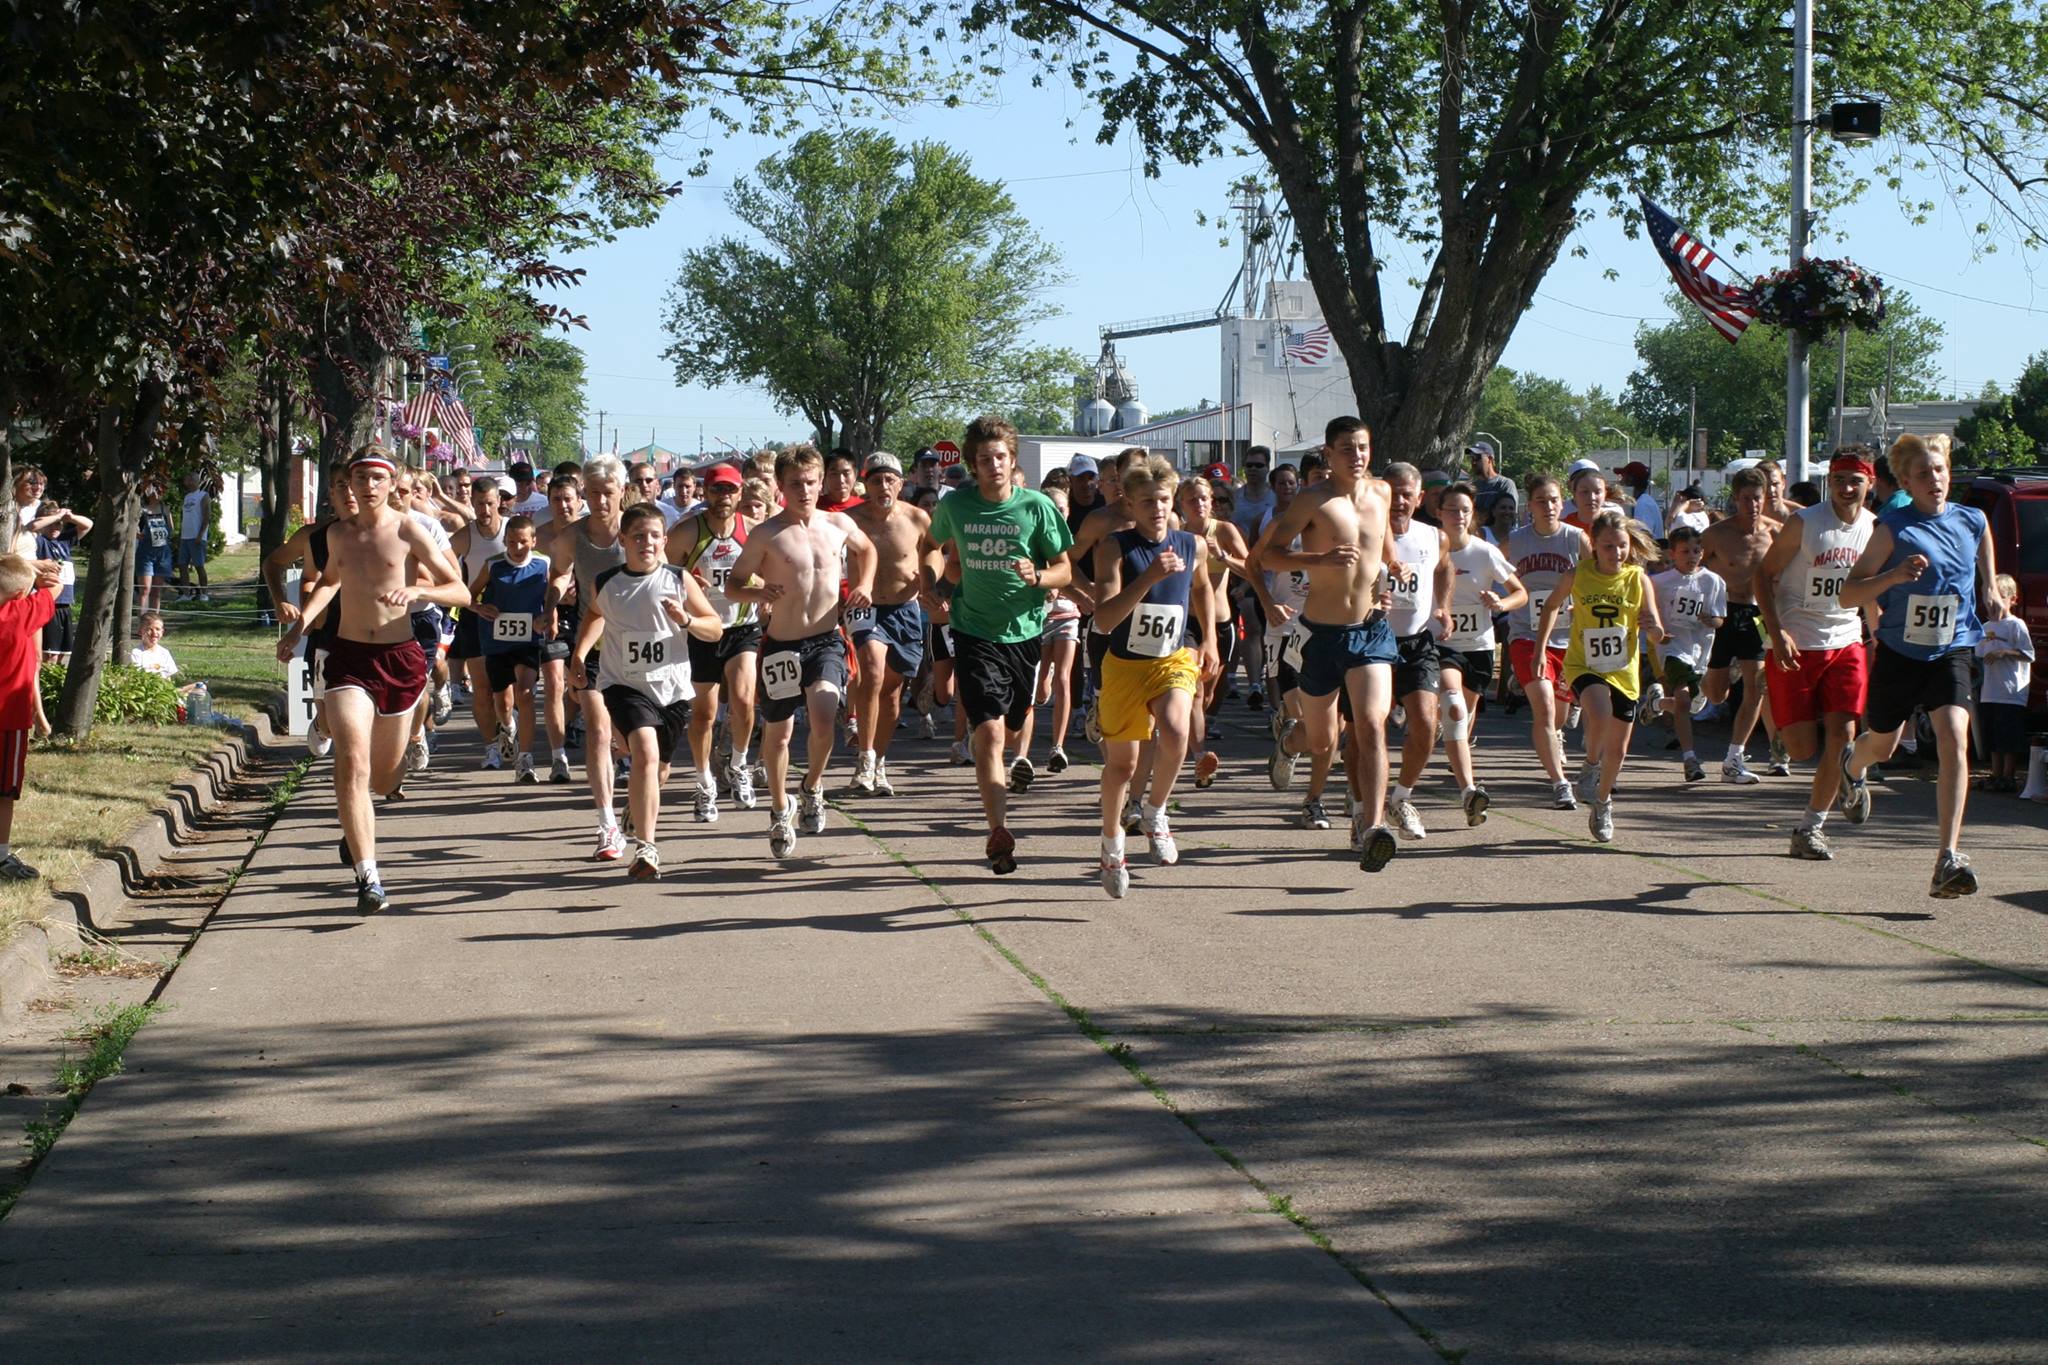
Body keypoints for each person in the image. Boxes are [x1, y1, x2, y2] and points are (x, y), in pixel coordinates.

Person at [279, 448, 468, 915]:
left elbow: (459, 589)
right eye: (358, 478)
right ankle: (369, 875)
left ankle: (359, 823)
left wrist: (420, 589)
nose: (366, 487)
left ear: (390, 483)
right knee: (352, 759)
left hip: (399, 658)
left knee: (384, 780)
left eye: (375, 479)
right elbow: (328, 582)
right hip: (348, 658)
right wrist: (300, 625)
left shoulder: (409, 529)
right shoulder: (338, 534)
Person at [1839, 434, 2004, 897]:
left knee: (1955, 736)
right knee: (1885, 746)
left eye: (1940, 470)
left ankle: (1947, 857)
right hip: (1900, 652)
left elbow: (1984, 540)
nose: (1935, 479)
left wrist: (1988, 587)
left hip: (1952, 647)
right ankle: (1853, 765)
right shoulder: (1893, 528)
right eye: (1924, 473)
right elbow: (1848, 593)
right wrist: (1892, 576)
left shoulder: (1971, 520)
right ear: (1908, 482)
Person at [920, 416, 1075, 874]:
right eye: (984, 459)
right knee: (987, 733)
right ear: (973, 464)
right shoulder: (958, 506)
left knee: (1010, 729)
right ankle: (997, 830)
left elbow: (1064, 568)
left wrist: (1040, 576)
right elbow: (930, 544)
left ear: (1012, 460)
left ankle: (1006, 765)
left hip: (1026, 633)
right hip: (973, 629)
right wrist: (931, 581)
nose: (993, 466)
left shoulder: (1037, 507)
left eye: (1001, 457)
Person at [1246, 415, 1400, 870]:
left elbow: (1384, 549)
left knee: (1372, 725)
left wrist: (1393, 575)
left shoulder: (1382, 493)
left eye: (1363, 447)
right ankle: (1289, 743)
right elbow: (1265, 557)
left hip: (1370, 631)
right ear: (1329, 454)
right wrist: (1319, 558)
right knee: (1322, 741)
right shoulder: (1312, 500)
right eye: (1347, 449)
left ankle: (1371, 826)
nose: (1357, 456)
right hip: (1320, 634)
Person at [724, 445, 877, 859]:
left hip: (826, 638)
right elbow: (733, 584)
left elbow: (868, 551)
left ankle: (811, 787)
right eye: (795, 484)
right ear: (781, 487)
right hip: (781, 644)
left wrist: (863, 585)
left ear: (822, 479)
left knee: (825, 718)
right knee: (780, 732)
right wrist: (759, 590)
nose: (805, 490)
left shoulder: (838, 523)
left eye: (811, 482)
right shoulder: (766, 533)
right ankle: (778, 808)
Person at [569, 503, 724, 879]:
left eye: (655, 536)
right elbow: (594, 615)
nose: (647, 542)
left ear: (665, 541)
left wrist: (686, 619)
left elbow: (715, 627)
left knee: (659, 769)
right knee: (644, 751)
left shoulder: (677, 579)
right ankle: (648, 850)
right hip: (623, 684)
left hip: (670, 689)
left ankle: (636, 811)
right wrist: (580, 653)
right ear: (623, 540)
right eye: (638, 536)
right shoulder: (607, 582)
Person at [1091, 457, 1219, 896]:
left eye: (1164, 500)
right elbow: (1105, 619)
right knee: (1122, 766)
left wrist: (1211, 641)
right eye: (1147, 502)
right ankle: (1111, 846)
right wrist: (1148, 576)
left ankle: (1156, 811)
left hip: (1172, 657)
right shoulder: (1115, 547)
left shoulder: (1191, 544)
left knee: (1177, 728)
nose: (1157, 509)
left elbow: (1201, 586)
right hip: (1125, 664)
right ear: (1129, 502)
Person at [1754, 448, 1877, 859]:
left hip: (1845, 640)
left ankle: (1812, 826)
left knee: (1842, 737)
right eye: (1839, 479)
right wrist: (1776, 632)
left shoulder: (1875, 529)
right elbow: (1762, 575)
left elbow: (1873, 589)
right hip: (1798, 643)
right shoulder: (1805, 524)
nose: (1845, 488)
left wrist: (1876, 637)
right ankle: (1770, 695)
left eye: (1854, 481)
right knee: (1803, 748)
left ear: (1869, 484)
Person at [1534, 509, 1664, 841]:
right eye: (1608, 546)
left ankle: (1603, 802)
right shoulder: (1577, 575)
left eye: (1621, 546)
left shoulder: (1638, 579)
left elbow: (1654, 625)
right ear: (1593, 545)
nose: (1616, 553)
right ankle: (1591, 764)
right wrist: (1540, 649)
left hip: (1624, 670)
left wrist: (1655, 631)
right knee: (1598, 710)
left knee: (1619, 750)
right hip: (1584, 665)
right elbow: (1550, 607)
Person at [543, 455, 633, 859]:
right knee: (598, 731)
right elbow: (560, 572)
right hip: (590, 644)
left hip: (638, 646)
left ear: (621, 493)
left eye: (607, 494)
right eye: (592, 494)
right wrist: (553, 601)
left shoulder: (638, 530)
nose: (599, 501)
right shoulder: (571, 537)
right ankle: (606, 825)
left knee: (633, 741)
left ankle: (639, 799)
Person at [668, 463, 762, 819]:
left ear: (741, 493)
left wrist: (765, 593)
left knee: (743, 699)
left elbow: (771, 571)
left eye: (731, 490)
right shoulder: (687, 532)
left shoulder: (753, 531)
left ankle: (739, 765)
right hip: (702, 631)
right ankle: (704, 781)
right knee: (705, 715)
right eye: (718, 490)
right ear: (705, 493)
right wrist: (687, 583)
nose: (724, 497)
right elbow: (662, 574)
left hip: (742, 628)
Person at [1436, 482, 1527, 825]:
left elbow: (1520, 593)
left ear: (1472, 514)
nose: (1458, 516)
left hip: (1480, 646)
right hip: (1442, 644)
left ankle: (1460, 778)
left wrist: (1500, 602)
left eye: (1464, 510)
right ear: (1439, 513)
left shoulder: (1484, 552)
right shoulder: (1431, 549)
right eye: (1451, 510)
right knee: (1454, 706)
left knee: (1462, 718)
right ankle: (1469, 790)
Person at [846, 452, 934, 798]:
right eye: (875, 480)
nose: (883, 486)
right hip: (864, 610)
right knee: (871, 669)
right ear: (865, 484)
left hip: (905, 610)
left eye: (889, 480)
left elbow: (934, 553)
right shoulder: (850, 520)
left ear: (901, 483)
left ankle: (879, 763)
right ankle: (865, 758)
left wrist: (930, 582)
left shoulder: (917, 518)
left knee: (893, 693)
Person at [1505, 473, 1590, 809]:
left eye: (1554, 499)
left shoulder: (1576, 538)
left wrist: (1580, 603)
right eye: (1542, 500)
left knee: (1556, 716)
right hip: (1526, 635)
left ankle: (1554, 739)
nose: (1549, 506)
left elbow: (1598, 578)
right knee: (1543, 707)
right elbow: (1488, 565)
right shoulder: (1517, 541)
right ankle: (1560, 783)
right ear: (1531, 505)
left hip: (1568, 637)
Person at [1380, 464, 1454, 843]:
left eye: (1408, 493)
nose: (1400, 500)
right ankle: (1364, 806)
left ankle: (1401, 797)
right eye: (1392, 492)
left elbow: (1445, 568)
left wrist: (1442, 606)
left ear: (1420, 498)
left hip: (1417, 641)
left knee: (1426, 724)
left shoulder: (1433, 536)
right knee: (1368, 729)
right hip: (1372, 640)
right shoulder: (1367, 534)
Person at [1700, 467, 1783, 783]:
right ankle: (1704, 684)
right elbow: (1692, 568)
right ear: (1735, 499)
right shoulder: (1717, 535)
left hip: (1758, 614)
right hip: (1723, 612)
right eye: (1746, 499)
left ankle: (1734, 757)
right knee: (1717, 694)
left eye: (1757, 499)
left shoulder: (1776, 533)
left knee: (1757, 685)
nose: (1753, 505)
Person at [1176, 474, 1250, 788]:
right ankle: (1199, 757)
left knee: (1208, 697)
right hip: (1187, 623)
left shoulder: (1225, 531)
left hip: (1221, 624)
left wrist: (1224, 558)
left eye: (1205, 498)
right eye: (1193, 499)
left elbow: (1253, 568)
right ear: (1182, 505)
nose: (1201, 504)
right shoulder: (1176, 535)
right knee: (1194, 692)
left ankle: (1193, 742)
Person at [469, 515, 554, 783]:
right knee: (503, 703)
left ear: (534, 541)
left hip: (528, 638)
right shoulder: (493, 565)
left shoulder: (543, 563)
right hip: (496, 641)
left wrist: (549, 616)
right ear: (504, 541)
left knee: (526, 693)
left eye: (523, 542)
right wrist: (480, 607)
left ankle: (525, 759)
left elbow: (554, 594)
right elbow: (468, 595)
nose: (517, 548)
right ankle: (507, 726)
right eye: (512, 542)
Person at [1647, 525, 1727, 783]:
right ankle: (1690, 759)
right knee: (1682, 700)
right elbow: (1648, 611)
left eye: (1696, 550)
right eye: (1685, 551)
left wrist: (1709, 620)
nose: (1691, 556)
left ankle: (1656, 704)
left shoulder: (1713, 581)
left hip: (1700, 650)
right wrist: (1658, 631)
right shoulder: (1659, 582)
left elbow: (1719, 619)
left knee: (1692, 705)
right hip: (1672, 648)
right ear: (1673, 553)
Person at [0, 553, 62, 880]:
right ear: (20, 595)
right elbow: (53, 592)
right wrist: (47, 576)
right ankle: (1, 857)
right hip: (9, 720)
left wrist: (27, 569)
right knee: (5, 791)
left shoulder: (14, 605)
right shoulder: (18, 614)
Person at [1976, 574, 2034, 792]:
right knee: (1992, 735)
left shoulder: (2016, 625)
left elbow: (2028, 654)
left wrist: (2004, 652)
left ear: (2012, 599)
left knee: (2008, 735)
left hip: (2010, 692)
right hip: (1990, 690)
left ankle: (2008, 776)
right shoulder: (1986, 626)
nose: (1993, 603)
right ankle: (1995, 773)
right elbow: (1979, 652)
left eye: (2000, 597)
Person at [34, 502, 90, 665]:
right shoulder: (39, 541)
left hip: (65, 604)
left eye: (59, 524)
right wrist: (55, 516)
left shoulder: (65, 540)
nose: (55, 527)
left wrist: (69, 517)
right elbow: (34, 527)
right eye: (51, 523)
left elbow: (88, 525)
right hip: (50, 603)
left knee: (62, 654)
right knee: (49, 654)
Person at [134, 480, 175, 616]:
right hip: (146, 552)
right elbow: (133, 527)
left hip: (162, 553)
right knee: (145, 589)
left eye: (159, 490)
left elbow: (171, 529)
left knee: (157, 590)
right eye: (154, 490)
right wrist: (137, 534)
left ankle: (154, 619)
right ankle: (142, 621)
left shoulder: (165, 509)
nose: (157, 493)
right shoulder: (142, 510)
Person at [175, 470, 211, 602]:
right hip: (185, 536)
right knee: (182, 565)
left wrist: (200, 535)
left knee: (199, 565)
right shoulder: (187, 497)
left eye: (189, 479)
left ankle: (204, 593)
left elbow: (207, 517)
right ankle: (186, 593)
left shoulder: (203, 495)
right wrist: (180, 536)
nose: (187, 481)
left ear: (196, 481)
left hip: (197, 537)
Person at [1467, 442, 1517, 525]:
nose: (1474, 462)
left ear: (1490, 459)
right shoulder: (1471, 487)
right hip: (1476, 536)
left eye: (1477, 458)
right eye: (1472, 458)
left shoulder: (1505, 484)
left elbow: (1508, 516)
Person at [1614, 461, 1664, 538]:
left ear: (1630, 479)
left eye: (1623, 476)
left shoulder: (1643, 504)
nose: (1620, 481)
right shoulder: (1643, 500)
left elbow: (1644, 536)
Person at [1065, 455, 1105, 533]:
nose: (1086, 484)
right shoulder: (1064, 506)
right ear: (1070, 481)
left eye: (1091, 477)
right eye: (1080, 478)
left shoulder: (1106, 502)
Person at [820, 448, 864, 514]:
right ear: (825, 476)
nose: (841, 480)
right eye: (834, 474)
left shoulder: (864, 508)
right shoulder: (814, 507)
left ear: (855, 474)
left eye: (846, 473)